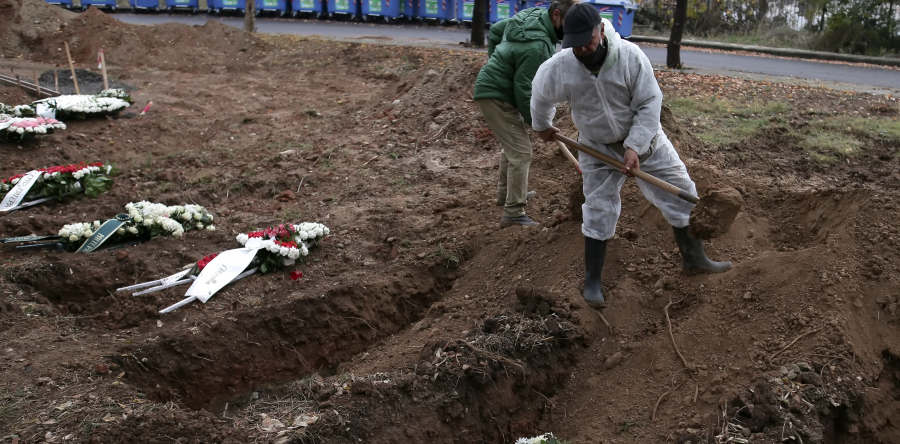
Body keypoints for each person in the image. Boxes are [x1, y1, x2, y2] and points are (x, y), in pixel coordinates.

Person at [530, 3, 732, 307]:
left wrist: (634, 146)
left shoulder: (629, 56)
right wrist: (542, 125)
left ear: (601, 29)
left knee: (682, 193)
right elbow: (540, 95)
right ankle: (593, 281)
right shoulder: (560, 68)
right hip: (596, 146)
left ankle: (695, 260)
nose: (583, 48)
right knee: (598, 208)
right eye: (576, 44)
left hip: (646, 140)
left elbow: (650, 103)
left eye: (589, 40)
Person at [474, 0, 580, 227]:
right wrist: (540, 125)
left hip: (495, 90)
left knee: (513, 147)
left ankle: (507, 195)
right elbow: (525, 90)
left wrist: (496, 62)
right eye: (568, 25)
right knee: (521, 152)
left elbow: (495, 30)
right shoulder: (538, 46)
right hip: (496, 96)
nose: (569, 32)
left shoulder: (531, 15)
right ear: (557, 16)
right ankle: (513, 212)